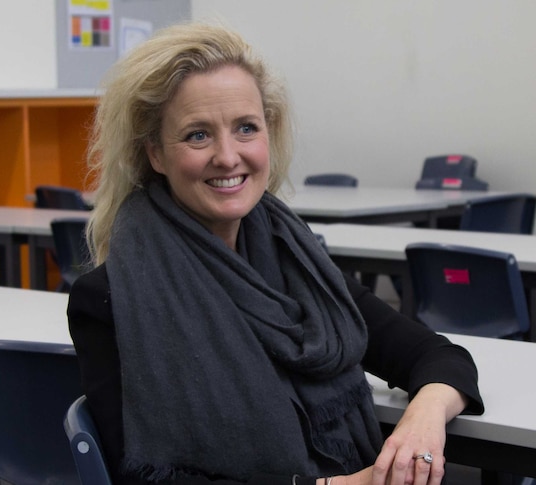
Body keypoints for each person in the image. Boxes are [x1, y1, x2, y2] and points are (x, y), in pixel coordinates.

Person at [67, 21, 483, 485]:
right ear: (156, 156)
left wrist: (422, 421)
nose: (227, 156)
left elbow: (436, 355)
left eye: (246, 128)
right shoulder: (109, 298)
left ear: (269, 134)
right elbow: (144, 479)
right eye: (197, 135)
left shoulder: (297, 261)